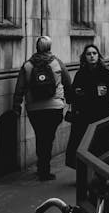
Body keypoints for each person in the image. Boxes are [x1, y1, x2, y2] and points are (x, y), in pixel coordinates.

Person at [12, 35, 72, 181]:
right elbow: (68, 82)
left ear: (37, 47)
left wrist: (16, 106)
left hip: (34, 107)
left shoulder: (27, 65)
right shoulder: (57, 63)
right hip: (54, 106)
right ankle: (45, 168)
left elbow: (19, 88)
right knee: (48, 137)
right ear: (50, 47)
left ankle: (42, 166)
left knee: (40, 135)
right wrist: (70, 101)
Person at [65, 44, 109, 169]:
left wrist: (107, 93)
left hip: (102, 117)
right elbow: (71, 96)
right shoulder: (80, 74)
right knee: (84, 147)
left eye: (94, 53)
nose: (92, 56)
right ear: (85, 57)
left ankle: (101, 175)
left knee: (102, 147)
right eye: (89, 54)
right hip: (84, 118)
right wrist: (77, 93)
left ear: (98, 56)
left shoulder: (106, 74)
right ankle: (84, 176)